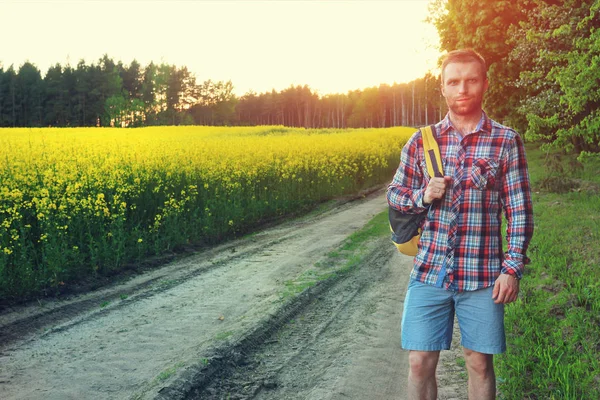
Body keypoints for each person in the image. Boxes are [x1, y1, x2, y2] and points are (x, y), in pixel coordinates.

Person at [387, 48, 534, 400]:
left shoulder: (505, 140)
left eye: (470, 80)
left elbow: (519, 210)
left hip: (483, 275)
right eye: (454, 82)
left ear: (485, 83)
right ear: (443, 88)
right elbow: (395, 194)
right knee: (420, 362)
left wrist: (511, 267)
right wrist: (423, 195)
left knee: (479, 362)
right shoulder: (422, 141)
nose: (462, 89)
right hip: (429, 270)